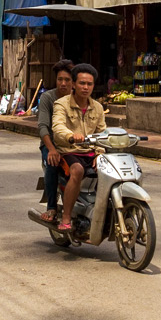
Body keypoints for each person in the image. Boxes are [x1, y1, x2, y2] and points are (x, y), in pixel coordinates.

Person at [51, 62, 106, 235]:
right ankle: (67, 217)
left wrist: (100, 153)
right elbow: (57, 127)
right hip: (68, 151)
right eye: (82, 83)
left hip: (90, 151)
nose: (85, 87)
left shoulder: (98, 107)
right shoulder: (61, 104)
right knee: (77, 170)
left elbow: (102, 133)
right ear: (74, 84)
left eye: (89, 84)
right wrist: (70, 136)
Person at [35, 59, 74, 224]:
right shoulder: (47, 98)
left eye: (67, 80)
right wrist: (51, 149)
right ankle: (51, 206)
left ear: (73, 82)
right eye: (60, 79)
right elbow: (43, 126)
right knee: (52, 163)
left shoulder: (79, 98)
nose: (63, 83)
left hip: (73, 144)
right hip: (51, 144)